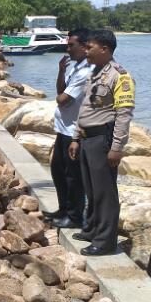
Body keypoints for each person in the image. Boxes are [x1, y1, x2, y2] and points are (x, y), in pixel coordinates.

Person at [69, 29, 135, 257]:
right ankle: (92, 229)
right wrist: (76, 137)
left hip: (102, 140)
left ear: (105, 49)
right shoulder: (95, 73)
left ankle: (105, 242)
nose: (86, 51)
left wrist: (117, 147)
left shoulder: (120, 76)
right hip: (87, 138)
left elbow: (123, 114)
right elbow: (86, 108)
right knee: (91, 189)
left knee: (105, 192)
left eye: (90, 48)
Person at [45, 28, 93, 229]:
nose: (68, 48)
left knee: (73, 177)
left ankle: (74, 217)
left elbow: (62, 100)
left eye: (72, 45)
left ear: (84, 46)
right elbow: (60, 91)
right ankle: (63, 209)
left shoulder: (86, 72)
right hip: (63, 129)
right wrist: (61, 71)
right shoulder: (75, 67)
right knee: (58, 170)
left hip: (74, 131)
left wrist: (60, 96)